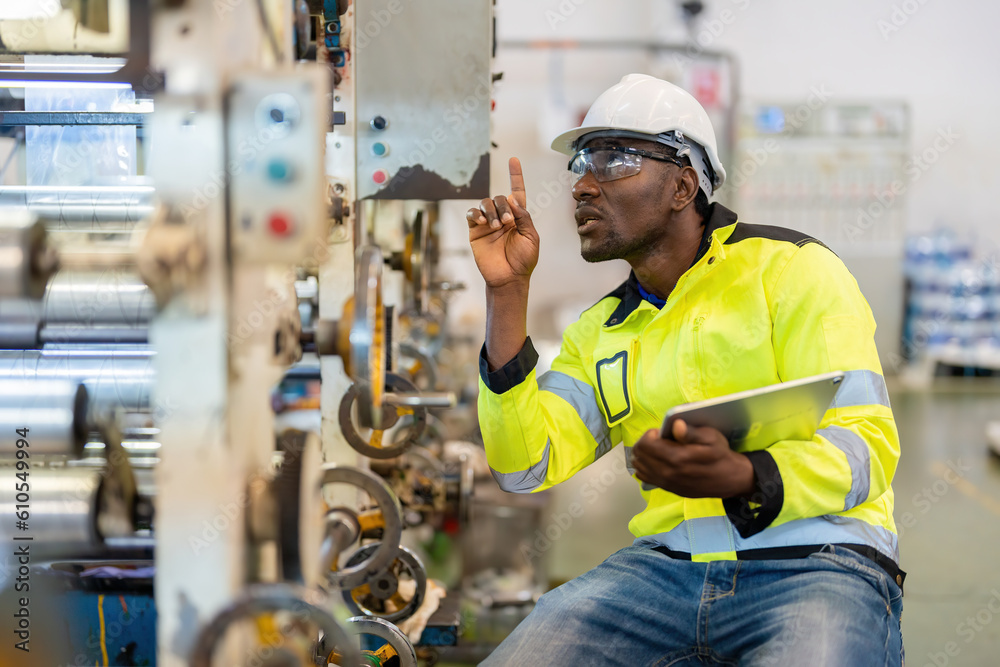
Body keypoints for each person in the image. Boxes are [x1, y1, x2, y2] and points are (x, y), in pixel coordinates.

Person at [466, 74, 903, 666]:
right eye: (580, 164)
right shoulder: (602, 331)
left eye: (614, 160)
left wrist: (750, 476)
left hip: (817, 560)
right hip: (665, 570)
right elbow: (525, 467)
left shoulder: (793, 271)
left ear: (682, 184)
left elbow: (867, 447)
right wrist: (507, 295)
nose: (583, 187)